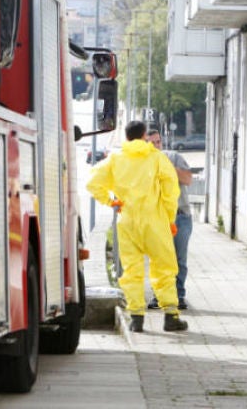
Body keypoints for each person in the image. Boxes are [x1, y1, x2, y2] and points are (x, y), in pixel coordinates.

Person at [87, 120, 188, 333]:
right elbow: (171, 191)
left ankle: (136, 318)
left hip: (128, 222)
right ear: (144, 136)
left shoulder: (116, 158)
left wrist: (111, 201)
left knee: (132, 270)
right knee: (164, 268)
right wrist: (169, 219)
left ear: (126, 137)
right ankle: (171, 316)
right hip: (155, 222)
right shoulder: (157, 158)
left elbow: (93, 182)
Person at [146, 129, 193, 310]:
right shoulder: (142, 164)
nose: (156, 146)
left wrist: (166, 168)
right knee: (158, 259)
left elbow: (188, 179)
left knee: (179, 259)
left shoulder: (173, 157)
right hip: (156, 218)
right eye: (151, 143)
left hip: (180, 217)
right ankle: (158, 296)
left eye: (158, 142)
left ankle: (178, 296)